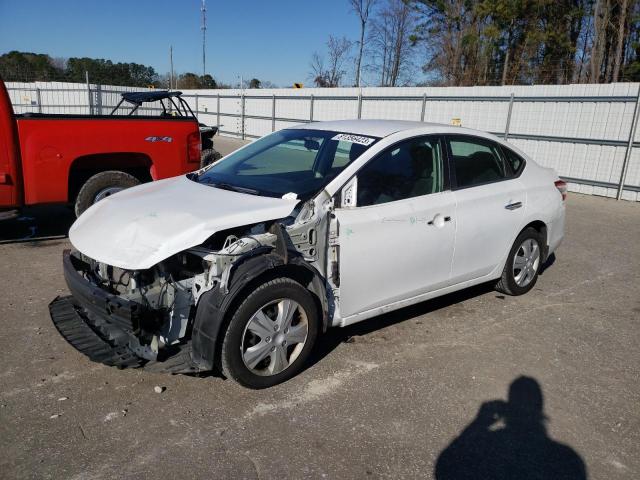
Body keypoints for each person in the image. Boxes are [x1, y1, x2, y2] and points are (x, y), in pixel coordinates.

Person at [435, 376, 587, 480]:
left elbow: (445, 467)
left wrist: (479, 423)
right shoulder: (567, 458)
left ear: (508, 409)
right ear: (539, 409)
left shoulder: (489, 445)